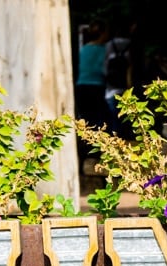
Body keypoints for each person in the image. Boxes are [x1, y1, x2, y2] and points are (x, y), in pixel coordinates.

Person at [74, 19, 110, 171]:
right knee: (100, 120)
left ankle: (84, 153)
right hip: (96, 87)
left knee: (85, 120)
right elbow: (105, 70)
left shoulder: (84, 49)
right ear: (102, 33)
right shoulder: (105, 50)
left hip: (81, 87)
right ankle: (97, 153)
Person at [103, 24, 132, 138]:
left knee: (113, 115)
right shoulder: (130, 45)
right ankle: (127, 137)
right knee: (127, 114)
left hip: (111, 86)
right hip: (126, 86)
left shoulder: (109, 45)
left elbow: (104, 65)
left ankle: (116, 138)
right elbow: (131, 66)